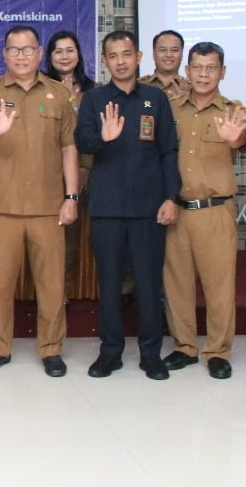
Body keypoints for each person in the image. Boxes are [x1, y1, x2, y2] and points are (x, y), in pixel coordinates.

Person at [0, 26, 79, 377]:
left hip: (48, 206)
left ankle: (51, 349)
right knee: (0, 283)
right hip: (2, 207)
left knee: (50, 284)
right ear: (4, 54)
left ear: (39, 53)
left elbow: (69, 148)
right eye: (13, 50)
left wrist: (71, 196)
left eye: (27, 49)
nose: (21, 56)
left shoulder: (58, 94)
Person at [75, 31, 180, 380]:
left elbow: (168, 151)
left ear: (137, 57)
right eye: (112, 55)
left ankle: (151, 353)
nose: (120, 61)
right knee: (110, 284)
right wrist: (101, 140)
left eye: (126, 54)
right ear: (104, 61)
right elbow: (82, 141)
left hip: (149, 208)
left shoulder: (155, 99)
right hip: (106, 208)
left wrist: (170, 197)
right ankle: (110, 352)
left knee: (149, 285)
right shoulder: (94, 100)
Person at [162, 42, 246, 380]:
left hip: (215, 210)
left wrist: (233, 139)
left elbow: (240, 141)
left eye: (210, 68)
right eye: (196, 67)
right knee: (177, 284)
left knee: (219, 286)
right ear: (187, 70)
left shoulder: (233, 109)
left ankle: (218, 351)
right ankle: (184, 346)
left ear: (222, 72)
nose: (202, 74)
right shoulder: (171, 109)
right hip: (177, 210)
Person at [44, 30, 97, 296]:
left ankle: (65, 289)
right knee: (49, 236)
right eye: (58, 51)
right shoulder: (42, 88)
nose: (64, 56)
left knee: (73, 236)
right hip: (47, 173)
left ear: (78, 54)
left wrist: (85, 167)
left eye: (70, 50)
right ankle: (48, 292)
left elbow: (95, 133)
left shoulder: (93, 91)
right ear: (49, 56)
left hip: (84, 174)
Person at [140, 29, 189, 101]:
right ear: (153, 54)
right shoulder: (139, 85)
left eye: (174, 50)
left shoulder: (190, 88)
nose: (168, 55)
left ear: (182, 55)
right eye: (163, 50)